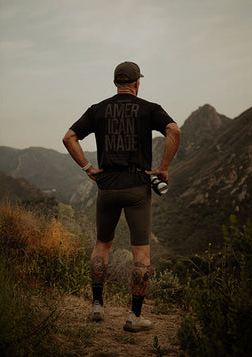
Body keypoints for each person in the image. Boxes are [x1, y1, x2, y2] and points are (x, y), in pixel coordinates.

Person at [62, 61, 181, 332]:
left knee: (102, 245)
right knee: (141, 253)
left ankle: (96, 306)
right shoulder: (150, 108)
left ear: (115, 83)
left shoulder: (97, 110)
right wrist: (163, 168)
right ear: (137, 83)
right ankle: (134, 317)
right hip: (137, 188)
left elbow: (69, 138)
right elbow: (174, 130)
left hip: (107, 187)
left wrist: (88, 168)